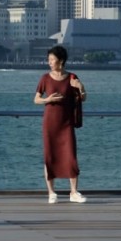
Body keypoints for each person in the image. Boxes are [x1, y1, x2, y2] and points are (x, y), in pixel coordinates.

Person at [34, 45, 87, 204]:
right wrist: (47, 100)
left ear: (61, 61)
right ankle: (51, 192)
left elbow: (83, 98)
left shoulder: (72, 77)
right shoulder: (45, 78)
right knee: (50, 156)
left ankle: (73, 192)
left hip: (66, 123)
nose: (49, 62)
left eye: (52, 59)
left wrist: (81, 87)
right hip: (50, 123)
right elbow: (36, 99)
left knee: (71, 156)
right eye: (49, 59)